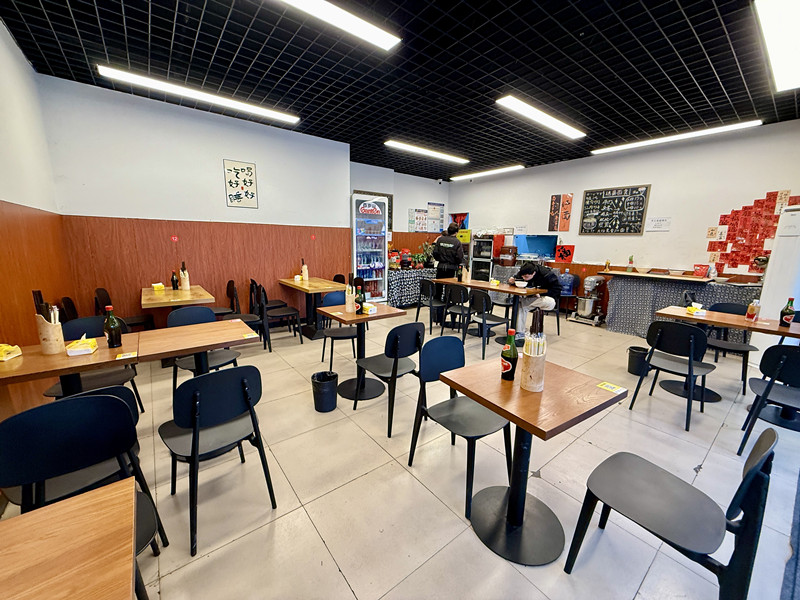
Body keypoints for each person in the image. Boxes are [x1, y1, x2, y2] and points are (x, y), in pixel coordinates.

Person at [508, 262, 561, 339]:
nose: (524, 278)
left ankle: (519, 331)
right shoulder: (524, 272)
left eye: (526, 277)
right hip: (531, 299)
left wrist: (541, 294)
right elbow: (516, 281)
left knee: (550, 302)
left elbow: (557, 290)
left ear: (534, 273)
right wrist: (511, 281)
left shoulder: (546, 274)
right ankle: (520, 332)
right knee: (522, 305)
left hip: (546, 299)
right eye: (522, 276)